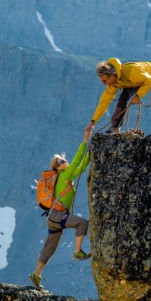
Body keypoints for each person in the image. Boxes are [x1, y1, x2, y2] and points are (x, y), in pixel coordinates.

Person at [29, 123, 94, 289]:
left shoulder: (63, 176)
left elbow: (81, 166)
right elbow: (79, 161)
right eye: (62, 161)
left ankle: (36, 275)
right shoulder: (65, 175)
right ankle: (77, 252)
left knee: (49, 247)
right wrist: (86, 141)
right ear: (58, 167)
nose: (65, 161)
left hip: (52, 217)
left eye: (63, 159)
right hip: (58, 216)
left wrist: (91, 154)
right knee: (82, 223)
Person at [90, 57, 151, 136]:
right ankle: (115, 127)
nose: (104, 83)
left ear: (113, 75)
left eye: (105, 81)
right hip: (134, 82)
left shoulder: (131, 72)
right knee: (122, 99)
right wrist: (93, 122)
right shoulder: (113, 84)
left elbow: (150, 81)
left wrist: (138, 96)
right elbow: (104, 102)